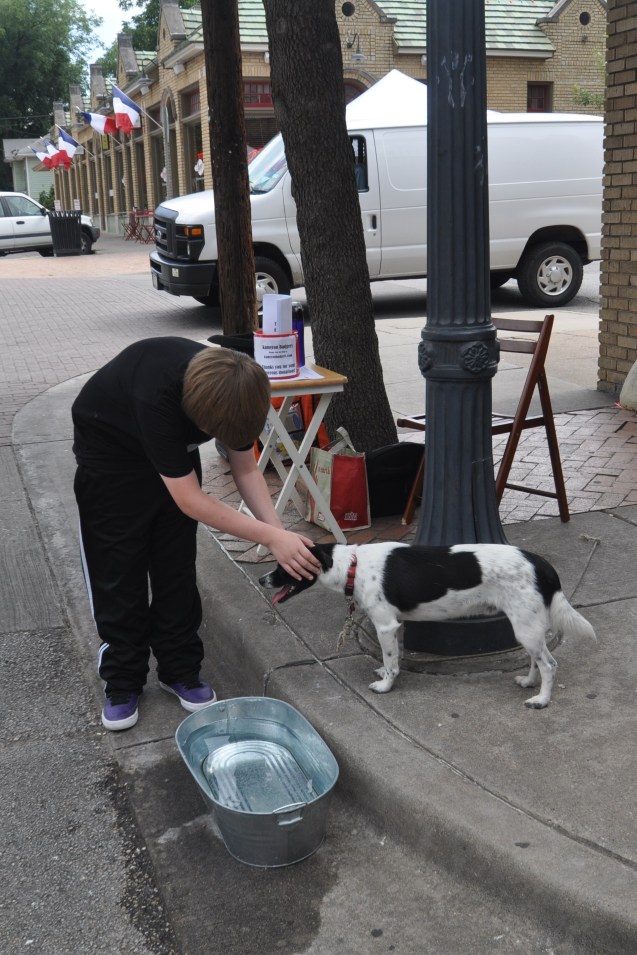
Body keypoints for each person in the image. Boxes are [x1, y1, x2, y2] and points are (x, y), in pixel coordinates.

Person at [72, 337, 321, 731]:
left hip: (172, 457)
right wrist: (272, 539)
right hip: (110, 459)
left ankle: (179, 668)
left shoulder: (238, 390)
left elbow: (246, 470)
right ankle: (122, 678)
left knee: (175, 568)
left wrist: (278, 534)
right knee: (118, 573)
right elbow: (190, 500)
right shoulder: (157, 398)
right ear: (195, 414)